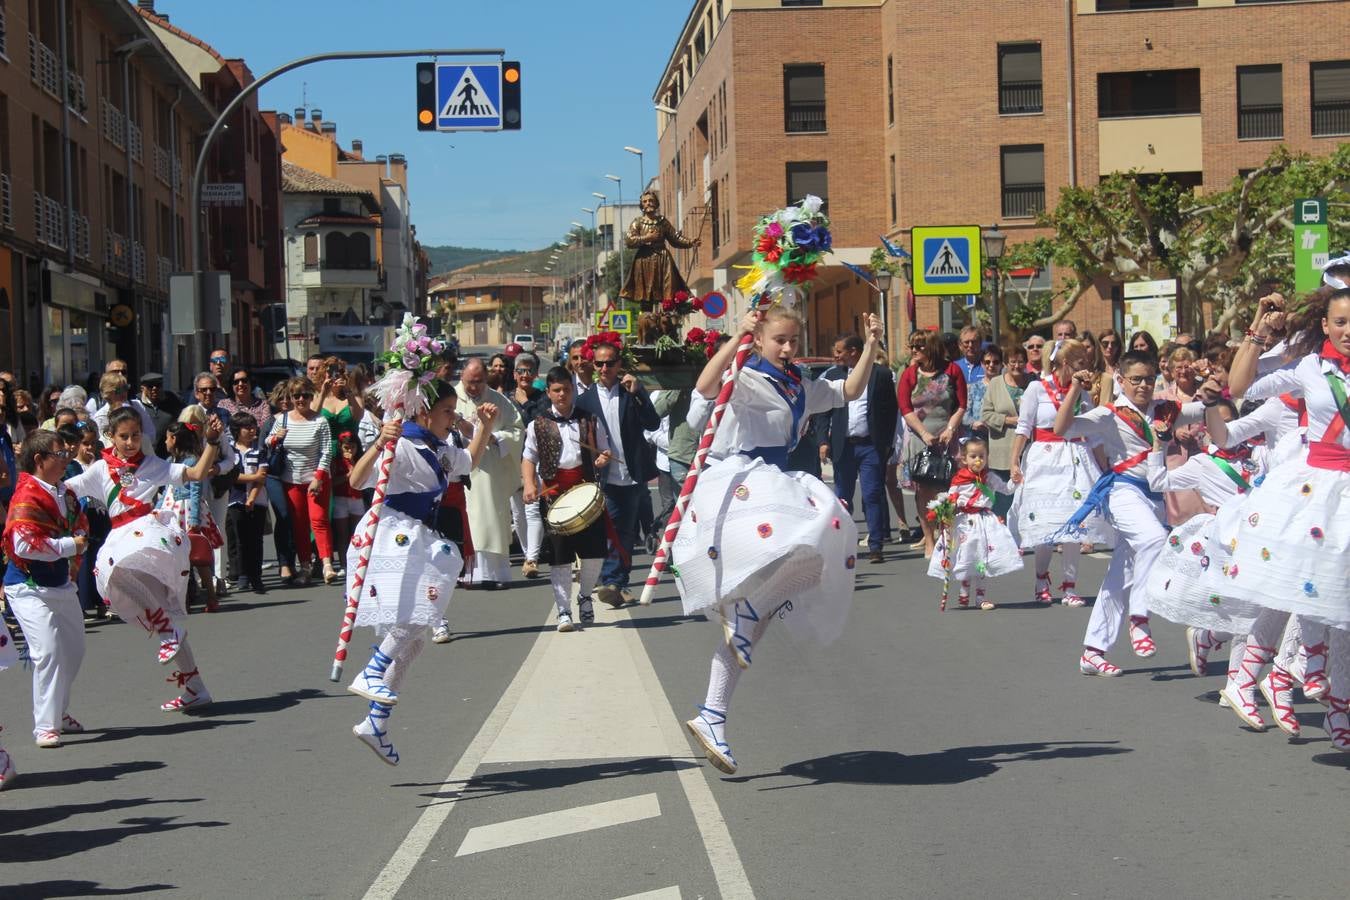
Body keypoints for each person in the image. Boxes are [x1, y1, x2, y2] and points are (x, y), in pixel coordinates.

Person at [676, 307, 882, 775]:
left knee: (771, 606)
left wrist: (870, 346)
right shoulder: (745, 375)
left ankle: (712, 716)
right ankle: (749, 612)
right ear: (763, 340)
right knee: (821, 527)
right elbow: (706, 388)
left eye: (794, 340)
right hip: (740, 484)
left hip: (772, 481)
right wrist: (737, 336)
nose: (788, 348)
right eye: (780, 341)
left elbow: (848, 390)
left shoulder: (798, 384)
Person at [1217, 287, 1350, 749]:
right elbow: (1239, 388)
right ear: (1326, 326)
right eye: (1340, 322)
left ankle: (1336, 704)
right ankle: (1309, 667)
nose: (1348, 331)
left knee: (1346, 605)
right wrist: (1256, 330)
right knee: (1316, 582)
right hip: (1322, 488)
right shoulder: (1309, 367)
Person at [344, 382, 496, 765]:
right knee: (426, 602)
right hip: (391, 533)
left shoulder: (437, 447)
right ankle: (373, 668)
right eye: (447, 410)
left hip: (417, 535)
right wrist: (380, 443)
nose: (452, 417)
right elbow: (356, 480)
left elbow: (469, 461)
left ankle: (375, 722)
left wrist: (485, 428)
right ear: (423, 412)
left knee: (413, 642)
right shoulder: (402, 442)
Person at [1051, 350, 1204, 676]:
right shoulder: (1110, 414)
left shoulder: (1166, 410)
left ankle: (1092, 651)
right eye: (1136, 379)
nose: (1144, 386)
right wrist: (1075, 390)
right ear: (1121, 380)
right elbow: (1062, 428)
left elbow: (1208, 407)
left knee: (1121, 574)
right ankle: (1139, 616)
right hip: (1122, 492)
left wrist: (1215, 385)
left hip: (1154, 497)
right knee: (1153, 540)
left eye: (1149, 379)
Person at [64, 406, 223, 711]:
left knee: (117, 571)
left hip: (148, 534)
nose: (130, 442)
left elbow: (196, 473)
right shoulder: (99, 469)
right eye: (123, 436)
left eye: (135, 435)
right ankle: (195, 686)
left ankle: (165, 626)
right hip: (120, 535)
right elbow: (65, 487)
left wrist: (212, 442)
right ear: (110, 436)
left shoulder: (153, 464)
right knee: (123, 579)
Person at [3, 429, 90, 748]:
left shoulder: (63, 491)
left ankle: (59, 711)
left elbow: (79, 520)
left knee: (74, 650)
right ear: (39, 460)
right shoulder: (26, 495)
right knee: (48, 650)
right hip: (26, 586)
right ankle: (45, 726)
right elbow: (23, 545)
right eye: (60, 454)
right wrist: (70, 546)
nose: (66, 459)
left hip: (59, 583)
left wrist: (77, 538)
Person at [1008, 339, 1111, 607]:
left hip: (1076, 460)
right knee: (1046, 524)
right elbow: (1024, 426)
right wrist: (1014, 461)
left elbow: (1094, 433)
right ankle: (1041, 579)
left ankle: (1069, 586)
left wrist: (1104, 468)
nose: (1086, 368)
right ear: (1066, 363)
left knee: (1074, 527)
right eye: (1081, 363)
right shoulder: (1036, 389)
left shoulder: (1082, 393)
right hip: (1044, 460)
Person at [522, 368, 613, 631]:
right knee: (560, 556)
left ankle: (585, 596)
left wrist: (602, 458)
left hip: (586, 492)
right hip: (553, 495)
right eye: (557, 390)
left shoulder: (591, 419)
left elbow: (604, 451)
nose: (562, 395)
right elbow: (529, 458)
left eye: (567, 389)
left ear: (573, 390)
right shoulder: (536, 424)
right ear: (549, 392)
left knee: (594, 553)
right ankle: (563, 610)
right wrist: (529, 484)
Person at [576, 339, 661, 605]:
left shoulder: (631, 392)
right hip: (604, 475)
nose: (603, 368)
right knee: (610, 528)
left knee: (624, 531)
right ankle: (612, 579)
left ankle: (616, 581)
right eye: (599, 363)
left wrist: (638, 394)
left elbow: (653, 422)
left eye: (609, 363)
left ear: (619, 365)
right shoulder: (585, 400)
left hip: (632, 471)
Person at [817, 332, 899, 563]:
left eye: (839, 351)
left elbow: (890, 412)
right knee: (843, 497)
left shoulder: (881, 375)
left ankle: (875, 545)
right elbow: (823, 412)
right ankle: (843, 544)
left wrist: (888, 444)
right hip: (844, 446)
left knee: (872, 493)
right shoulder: (833, 376)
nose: (836, 356)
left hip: (870, 446)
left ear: (854, 352)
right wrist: (823, 441)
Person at [926, 438, 1021, 610]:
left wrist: (1014, 481)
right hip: (965, 523)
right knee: (967, 556)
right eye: (973, 456)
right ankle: (964, 591)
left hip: (985, 522)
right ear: (964, 459)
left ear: (987, 457)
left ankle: (980, 597)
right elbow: (951, 500)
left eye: (982, 456)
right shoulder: (959, 480)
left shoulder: (989, 477)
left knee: (982, 559)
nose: (978, 460)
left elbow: (1006, 490)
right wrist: (946, 512)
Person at [897, 330, 966, 558]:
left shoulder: (952, 370)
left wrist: (950, 429)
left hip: (947, 436)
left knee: (947, 489)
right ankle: (929, 540)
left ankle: (946, 537)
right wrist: (924, 433)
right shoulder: (909, 374)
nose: (914, 350)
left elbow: (961, 405)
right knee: (924, 490)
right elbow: (905, 408)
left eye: (919, 346)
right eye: (912, 346)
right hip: (919, 437)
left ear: (932, 348)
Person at [455, 358, 523, 588]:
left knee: (490, 517)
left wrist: (492, 436)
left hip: (490, 468)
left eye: (479, 382)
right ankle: (465, 572)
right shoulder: (451, 398)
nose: (474, 387)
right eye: (470, 382)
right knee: (465, 519)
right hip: (459, 467)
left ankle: (494, 573)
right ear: (461, 376)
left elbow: (516, 430)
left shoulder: (498, 400)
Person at [266, 376, 334, 585]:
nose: (301, 399)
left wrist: (318, 477)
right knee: (300, 525)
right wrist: (276, 437)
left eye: (305, 395)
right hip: (291, 480)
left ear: (311, 396)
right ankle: (305, 566)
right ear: (291, 397)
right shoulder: (282, 420)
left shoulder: (320, 421)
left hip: (316, 479)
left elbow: (327, 451)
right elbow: (268, 441)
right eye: (297, 396)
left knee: (319, 521)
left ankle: (327, 565)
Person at [160, 415, 227, 613]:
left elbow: (196, 490)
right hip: (171, 510)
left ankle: (211, 597)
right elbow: (165, 489)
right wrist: (156, 509)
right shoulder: (168, 462)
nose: (164, 441)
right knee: (177, 558)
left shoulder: (191, 461)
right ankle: (185, 598)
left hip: (187, 511)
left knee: (198, 557)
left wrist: (194, 519)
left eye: (167, 438)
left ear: (175, 439)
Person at [619, 190, 702, 310]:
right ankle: (647, 319)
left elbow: (675, 237)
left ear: (656, 203)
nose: (648, 203)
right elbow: (629, 240)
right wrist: (646, 238)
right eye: (645, 201)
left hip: (663, 259)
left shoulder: (662, 222)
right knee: (646, 294)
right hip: (644, 260)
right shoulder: (637, 222)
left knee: (667, 291)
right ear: (642, 205)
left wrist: (690, 242)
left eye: (651, 200)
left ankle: (666, 320)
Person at [507, 353, 547, 578]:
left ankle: (532, 558)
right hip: (512, 461)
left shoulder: (542, 398)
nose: (525, 375)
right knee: (518, 513)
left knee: (532, 509)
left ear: (535, 374)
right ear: (514, 374)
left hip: (535, 461)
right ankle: (527, 555)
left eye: (529, 371)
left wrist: (526, 403)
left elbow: (543, 424)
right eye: (520, 371)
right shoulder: (506, 400)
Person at [978, 344, 1028, 519]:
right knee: (1002, 496)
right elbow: (985, 414)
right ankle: (1002, 535)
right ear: (1006, 363)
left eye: (1021, 362)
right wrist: (1009, 420)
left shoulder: (1033, 383)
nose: (1016, 366)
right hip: (1001, 447)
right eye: (1012, 362)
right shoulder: (995, 383)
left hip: (1027, 447)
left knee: (1024, 493)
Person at [225, 412, 268, 595]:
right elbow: (231, 476)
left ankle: (256, 576)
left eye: (253, 426)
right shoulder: (230, 451)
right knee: (240, 538)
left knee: (256, 539)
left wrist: (252, 497)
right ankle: (242, 574)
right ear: (237, 430)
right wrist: (253, 477)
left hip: (257, 501)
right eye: (247, 427)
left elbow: (262, 476)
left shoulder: (260, 450)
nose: (252, 430)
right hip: (235, 500)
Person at [260, 382, 297, 585]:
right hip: (274, 475)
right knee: (283, 516)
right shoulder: (270, 422)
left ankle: (296, 562)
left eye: (289, 398)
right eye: (281, 398)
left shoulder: (302, 419)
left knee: (295, 518)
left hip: (297, 474)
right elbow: (260, 450)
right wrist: (274, 439)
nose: (285, 402)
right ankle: (284, 562)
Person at [91, 372, 157, 448]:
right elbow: (103, 443)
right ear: (108, 393)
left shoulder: (137, 405)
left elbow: (151, 434)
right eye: (119, 390)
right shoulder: (100, 416)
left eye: (125, 388)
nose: (124, 393)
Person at [954, 326, 988, 438]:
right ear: (960, 345)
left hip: (982, 425)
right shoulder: (954, 367)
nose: (970, 345)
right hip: (959, 425)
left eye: (974, 342)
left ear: (980, 343)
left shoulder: (988, 365)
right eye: (966, 342)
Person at [138, 373, 177, 456]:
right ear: (142, 388)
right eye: (150, 386)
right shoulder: (136, 404)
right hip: (145, 456)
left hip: (168, 456)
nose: (154, 388)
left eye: (158, 385)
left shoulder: (173, 400)